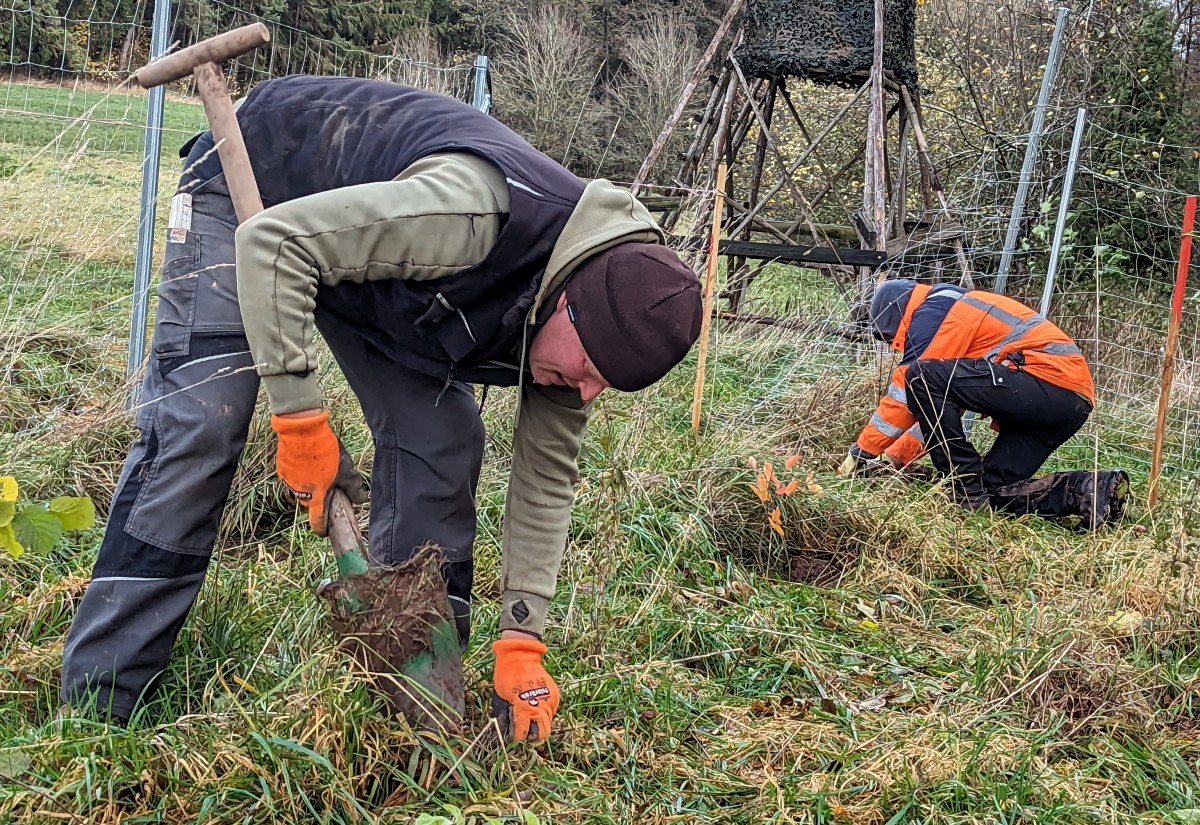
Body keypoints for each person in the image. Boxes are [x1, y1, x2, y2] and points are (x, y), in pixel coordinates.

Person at [60, 75, 703, 740]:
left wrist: (522, 638)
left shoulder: (587, 307)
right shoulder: (470, 218)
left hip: (375, 272)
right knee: (204, 424)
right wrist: (300, 419)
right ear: (569, 302)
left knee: (443, 438)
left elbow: (544, 485)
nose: (586, 390)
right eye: (591, 370)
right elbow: (274, 247)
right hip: (259, 182)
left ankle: (420, 704)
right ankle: (98, 706)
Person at [838, 278, 1128, 527]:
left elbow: (908, 390)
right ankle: (1088, 490)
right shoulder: (947, 310)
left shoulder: (933, 313)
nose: (892, 344)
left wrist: (862, 452)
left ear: (893, 317)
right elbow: (935, 414)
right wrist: (895, 458)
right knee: (994, 493)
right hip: (1068, 402)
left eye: (888, 337)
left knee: (919, 376)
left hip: (1046, 383)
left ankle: (963, 485)